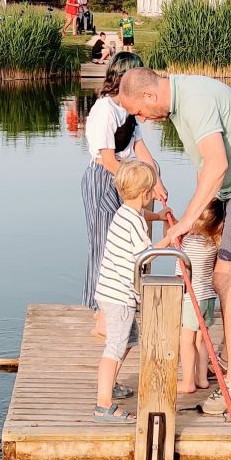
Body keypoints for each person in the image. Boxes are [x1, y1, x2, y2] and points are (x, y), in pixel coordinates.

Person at [117, 69, 231, 415]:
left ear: (149, 97)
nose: (141, 119)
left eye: (137, 111)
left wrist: (185, 223)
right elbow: (203, 169)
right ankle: (227, 357)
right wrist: (194, 218)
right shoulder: (180, 107)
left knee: (227, 279)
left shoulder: (195, 100)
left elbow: (217, 165)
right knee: (220, 277)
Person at [81, 52, 166, 338]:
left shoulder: (130, 111)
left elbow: (141, 150)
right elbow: (107, 159)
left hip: (128, 180)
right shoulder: (105, 109)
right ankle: (100, 315)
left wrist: (155, 178)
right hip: (105, 180)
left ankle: (124, 304)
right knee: (104, 244)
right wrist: (138, 181)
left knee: (126, 243)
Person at [93, 158, 158, 422]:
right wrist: (170, 236)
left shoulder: (125, 213)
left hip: (109, 292)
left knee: (128, 342)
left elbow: (142, 218)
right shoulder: (135, 223)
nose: (152, 196)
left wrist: (158, 216)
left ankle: (112, 385)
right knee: (114, 348)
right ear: (145, 195)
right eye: (151, 192)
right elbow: (147, 255)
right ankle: (103, 405)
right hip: (120, 298)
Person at [177, 198, 224, 395]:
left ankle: (188, 382)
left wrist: (170, 224)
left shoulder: (189, 241)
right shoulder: (213, 243)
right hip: (207, 298)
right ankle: (202, 379)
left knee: (186, 340)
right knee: (202, 340)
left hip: (191, 300)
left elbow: (173, 240)